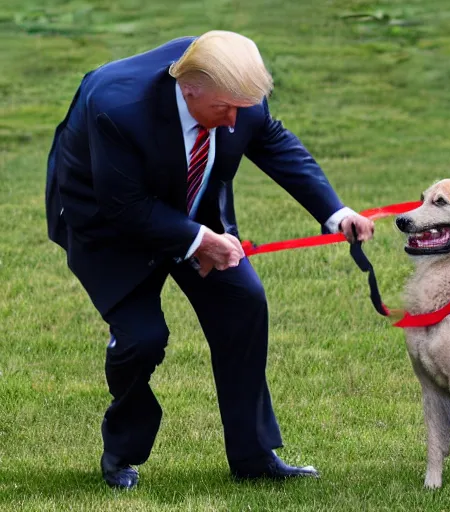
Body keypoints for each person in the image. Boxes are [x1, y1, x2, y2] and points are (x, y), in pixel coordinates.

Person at [45, 30, 374, 489]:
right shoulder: (116, 109)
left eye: (245, 107)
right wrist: (198, 240)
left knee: (243, 303)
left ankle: (253, 456)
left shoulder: (235, 97)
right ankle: (120, 453)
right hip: (107, 219)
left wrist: (335, 212)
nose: (238, 121)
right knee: (142, 340)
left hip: (192, 206)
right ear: (188, 88)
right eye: (227, 110)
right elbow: (126, 207)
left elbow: (273, 141)